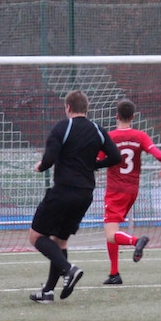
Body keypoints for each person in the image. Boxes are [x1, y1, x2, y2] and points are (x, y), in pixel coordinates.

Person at [29, 90, 121, 303]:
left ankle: (68, 269)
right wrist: (94, 165)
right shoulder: (97, 129)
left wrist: (40, 167)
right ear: (85, 108)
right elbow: (115, 157)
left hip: (63, 191)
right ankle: (48, 292)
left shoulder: (63, 127)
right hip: (85, 194)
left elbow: (49, 159)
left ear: (68, 107)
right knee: (60, 242)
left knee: (36, 236)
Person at [100, 98, 161, 285]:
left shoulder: (110, 137)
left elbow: (97, 159)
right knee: (112, 229)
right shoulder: (140, 136)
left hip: (115, 190)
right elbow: (158, 154)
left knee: (110, 233)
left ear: (116, 116)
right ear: (133, 117)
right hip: (133, 190)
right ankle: (114, 274)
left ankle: (136, 241)